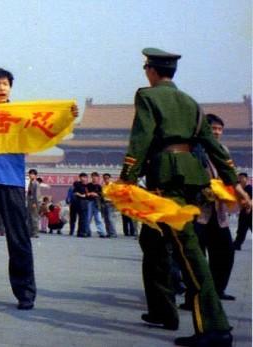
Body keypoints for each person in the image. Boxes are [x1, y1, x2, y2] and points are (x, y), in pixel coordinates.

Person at [119, 48, 251, 346]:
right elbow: (213, 147)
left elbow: (140, 139)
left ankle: (215, 328)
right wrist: (235, 183)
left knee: (188, 252)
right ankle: (163, 311)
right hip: (191, 178)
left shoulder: (148, 97)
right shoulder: (191, 102)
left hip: (166, 181)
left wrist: (126, 179)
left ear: (150, 70)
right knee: (153, 241)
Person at [0, 68, 78, 310]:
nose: (2, 88)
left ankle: (25, 294)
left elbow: (44, 128)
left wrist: (67, 116)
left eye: (6, 83)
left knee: (19, 239)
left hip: (12, 183)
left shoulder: (21, 116)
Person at [191, 114, 236, 301]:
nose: (217, 132)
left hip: (219, 212)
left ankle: (218, 289)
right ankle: (194, 296)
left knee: (225, 252)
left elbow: (229, 175)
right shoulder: (194, 150)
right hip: (199, 211)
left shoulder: (223, 150)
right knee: (197, 256)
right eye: (213, 128)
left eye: (220, 129)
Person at [233, 172, 252, 250]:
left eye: (242, 177)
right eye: (239, 178)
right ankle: (237, 244)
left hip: (250, 213)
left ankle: (237, 244)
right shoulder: (240, 189)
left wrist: (249, 207)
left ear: (246, 179)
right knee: (241, 230)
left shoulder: (249, 188)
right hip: (243, 213)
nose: (240, 179)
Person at [86, 172, 107, 238]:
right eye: (93, 176)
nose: (94, 178)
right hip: (89, 202)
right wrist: (90, 193)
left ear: (98, 178)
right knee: (88, 218)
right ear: (91, 177)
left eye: (96, 177)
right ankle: (87, 232)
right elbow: (86, 194)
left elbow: (102, 195)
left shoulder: (99, 186)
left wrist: (96, 194)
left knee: (98, 218)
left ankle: (102, 233)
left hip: (97, 204)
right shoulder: (88, 185)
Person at [101, 173, 117, 238]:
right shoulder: (103, 186)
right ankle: (109, 233)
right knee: (106, 219)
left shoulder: (113, 186)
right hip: (105, 203)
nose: (106, 179)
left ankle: (113, 233)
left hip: (111, 203)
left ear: (110, 178)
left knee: (111, 219)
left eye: (107, 178)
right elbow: (103, 195)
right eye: (104, 178)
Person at [73, 173, 90, 237]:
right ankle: (82, 232)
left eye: (84, 177)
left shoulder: (88, 185)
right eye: (81, 177)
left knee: (84, 218)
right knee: (82, 218)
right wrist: (81, 195)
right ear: (80, 178)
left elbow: (89, 193)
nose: (83, 178)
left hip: (86, 202)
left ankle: (83, 232)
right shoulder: (78, 184)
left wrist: (86, 195)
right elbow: (75, 192)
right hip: (80, 202)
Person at [26, 169, 40, 238]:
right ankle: (30, 232)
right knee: (29, 218)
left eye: (32, 174)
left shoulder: (35, 183)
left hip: (34, 203)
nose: (30, 175)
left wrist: (35, 203)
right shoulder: (31, 182)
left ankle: (35, 233)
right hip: (30, 202)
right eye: (29, 174)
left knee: (34, 218)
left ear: (35, 175)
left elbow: (37, 194)